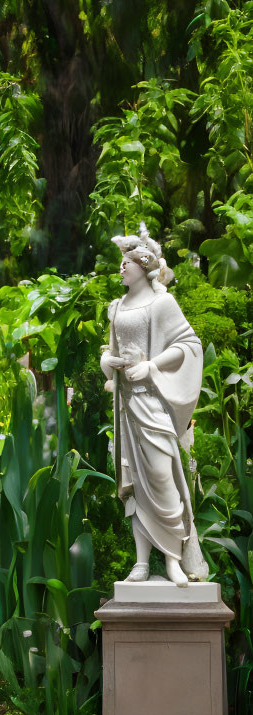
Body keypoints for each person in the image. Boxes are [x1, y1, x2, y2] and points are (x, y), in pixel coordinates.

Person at [100, 225, 205, 586]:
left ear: (143, 266)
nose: (121, 268)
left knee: (162, 478)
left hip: (151, 403)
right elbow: (111, 353)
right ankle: (141, 563)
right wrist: (107, 364)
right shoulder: (117, 307)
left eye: (126, 261)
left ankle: (173, 559)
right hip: (125, 408)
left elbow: (189, 344)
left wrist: (152, 366)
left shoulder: (162, 303)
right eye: (121, 262)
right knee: (133, 484)